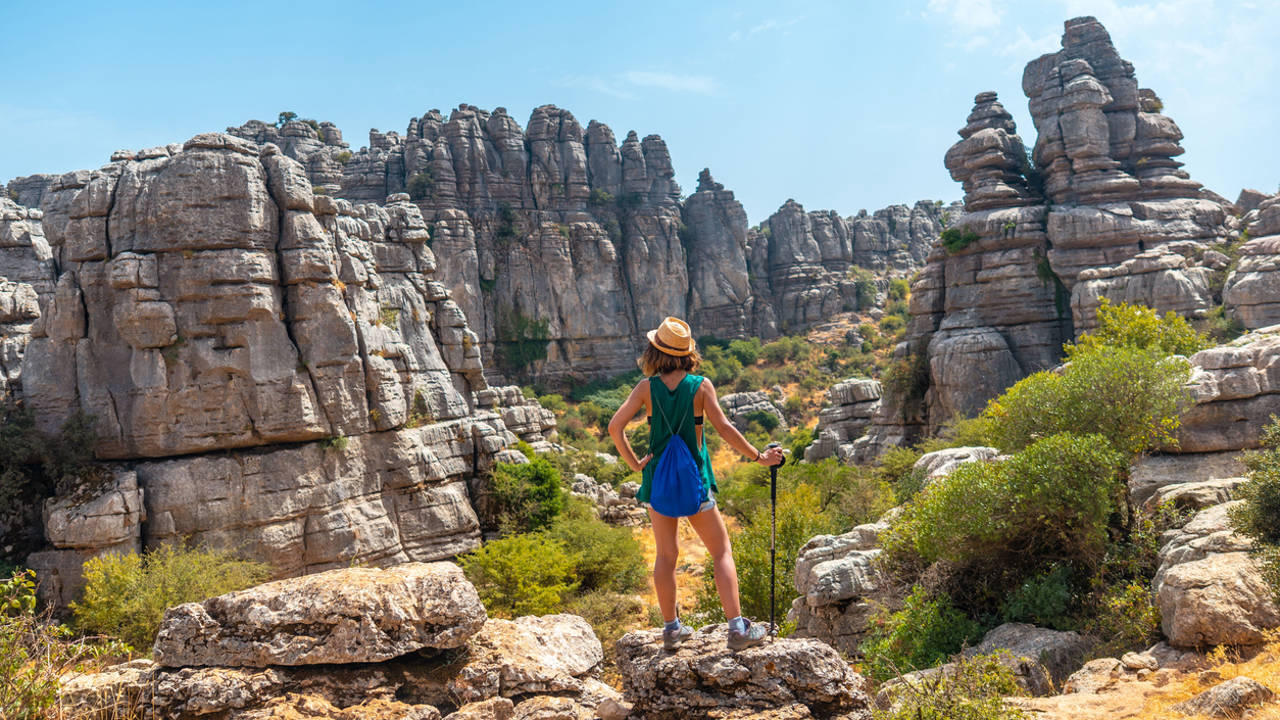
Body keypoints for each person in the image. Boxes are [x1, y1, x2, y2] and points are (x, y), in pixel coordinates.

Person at [608, 316, 784, 651]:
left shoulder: (646, 388)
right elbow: (725, 428)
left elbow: (615, 427)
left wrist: (635, 464)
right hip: (694, 482)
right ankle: (737, 629)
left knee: (665, 555)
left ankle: (672, 629)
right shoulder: (700, 386)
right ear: (687, 353)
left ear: (655, 350)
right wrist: (759, 456)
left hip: (657, 481)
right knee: (720, 551)